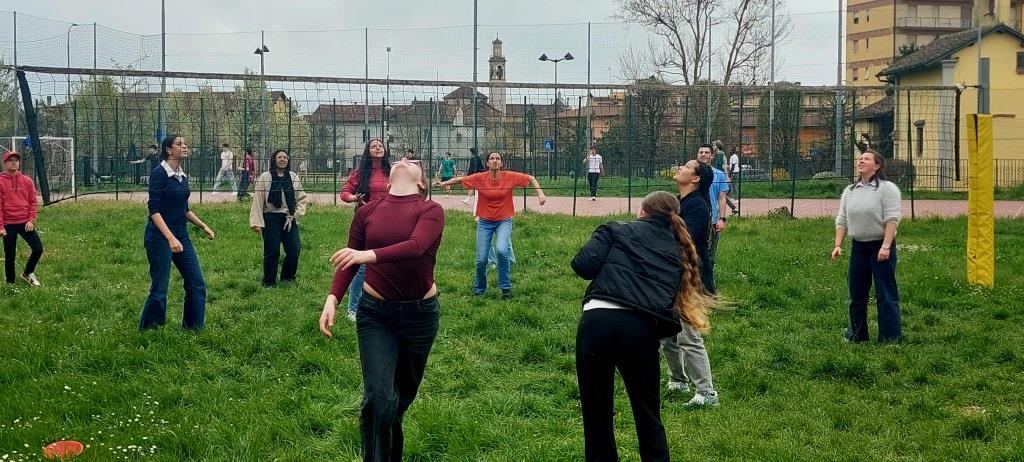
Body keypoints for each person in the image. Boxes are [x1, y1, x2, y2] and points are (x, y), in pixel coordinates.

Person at [571, 191, 715, 462]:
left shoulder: (614, 229)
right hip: (640, 329)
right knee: (647, 411)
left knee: (596, 410)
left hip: (597, 321)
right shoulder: (681, 249)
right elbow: (671, 302)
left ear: (642, 211)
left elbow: (583, 266)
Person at [319, 158, 444, 462]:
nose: (404, 160)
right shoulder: (367, 212)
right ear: (387, 182)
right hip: (376, 315)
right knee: (379, 398)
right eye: (400, 160)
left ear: (422, 183)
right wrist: (333, 298)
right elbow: (349, 260)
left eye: (412, 162)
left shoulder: (431, 210)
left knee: (396, 402)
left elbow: (416, 246)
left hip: (420, 317)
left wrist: (367, 255)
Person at [435, 151, 546, 299]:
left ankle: (505, 288)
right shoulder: (480, 178)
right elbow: (461, 179)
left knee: (501, 250)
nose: (495, 161)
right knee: (481, 259)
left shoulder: (509, 176)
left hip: (503, 221)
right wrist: (443, 183)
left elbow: (531, 178)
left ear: (502, 163)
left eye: (498, 158)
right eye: (492, 158)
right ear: (487, 163)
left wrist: (540, 194)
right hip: (485, 222)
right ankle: (479, 289)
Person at [660, 159, 721, 408]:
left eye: (687, 167)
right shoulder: (680, 202)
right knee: (667, 333)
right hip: (671, 275)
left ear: (695, 179)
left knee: (687, 335)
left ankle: (707, 393)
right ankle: (678, 380)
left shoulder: (697, 206)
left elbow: (686, 241)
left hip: (689, 278)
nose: (680, 168)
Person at [139, 135, 215, 330]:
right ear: (168, 150)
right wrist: (170, 238)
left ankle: (193, 329)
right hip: (159, 235)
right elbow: (154, 210)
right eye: (180, 144)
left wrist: (203, 226)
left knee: (196, 283)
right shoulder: (159, 173)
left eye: (185, 144)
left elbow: (184, 209)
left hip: (181, 233)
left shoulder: (182, 175)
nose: (185, 147)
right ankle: (150, 331)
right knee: (160, 288)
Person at [832, 150, 903, 343]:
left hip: (881, 247)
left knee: (885, 293)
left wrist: (886, 246)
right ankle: (857, 335)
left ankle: (891, 337)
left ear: (877, 166)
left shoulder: (887, 189)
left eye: (866, 158)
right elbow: (842, 219)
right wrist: (838, 244)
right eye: (860, 158)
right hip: (859, 248)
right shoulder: (850, 191)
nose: (861, 160)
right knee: (856, 294)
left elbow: (892, 218)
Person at [340, 138, 392, 322]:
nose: (377, 148)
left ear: (385, 150)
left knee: (387, 263)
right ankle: (353, 309)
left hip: (390, 221)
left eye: (380, 146)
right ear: (367, 151)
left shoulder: (392, 171)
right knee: (362, 265)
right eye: (373, 146)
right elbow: (344, 193)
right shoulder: (361, 172)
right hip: (367, 221)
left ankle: (384, 304)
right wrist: (354, 198)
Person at [250, 149, 308, 287]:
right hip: (271, 217)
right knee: (272, 251)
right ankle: (269, 282)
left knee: (294, 249)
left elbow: (301, 198)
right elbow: (258, 200)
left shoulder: (293, 177)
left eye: (285, 157)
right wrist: (256, 222)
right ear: (274, 160)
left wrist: (296, 215)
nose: (282, 159)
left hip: (289, 218)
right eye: (279, 157)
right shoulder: (265, 177)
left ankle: (288, 278)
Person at [1, 150, 44, 287]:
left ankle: (27, 273)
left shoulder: (27, 181)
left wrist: (31, 220)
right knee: (10, 255)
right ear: (5, 163)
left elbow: (32, 202)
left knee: (38, 249)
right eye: (11, 160)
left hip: (25, 222)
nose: (14, 162)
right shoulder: (1, 182)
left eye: (16, 160)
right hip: (8, 224)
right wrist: (0, 226)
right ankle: (10, 283)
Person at [696, 143, 731, 284]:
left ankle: (708, 283)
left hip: (712, 219)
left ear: (712, 156)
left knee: (709, 254)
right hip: (695, 218)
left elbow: (722, 198)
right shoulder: (692, 173)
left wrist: (722, 219)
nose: (703, 154)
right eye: (701, 152)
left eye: (706, 152)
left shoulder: (719, 174)